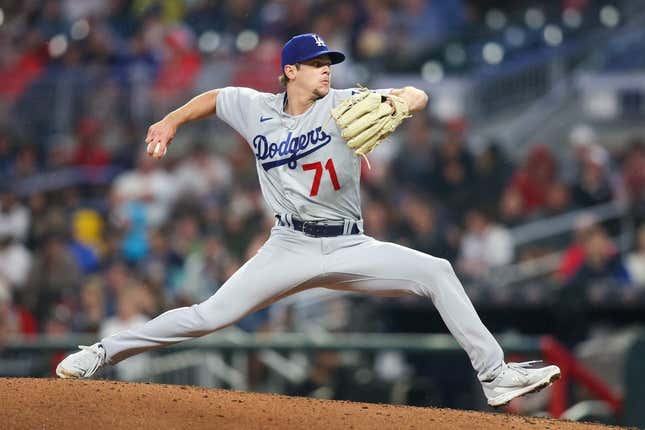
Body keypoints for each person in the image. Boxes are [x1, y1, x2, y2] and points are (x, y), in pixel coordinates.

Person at [56, 33, 560, 407]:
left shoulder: (343, 105)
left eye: (329, 63)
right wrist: (169, 121)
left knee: (436, 271)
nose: (327, 70)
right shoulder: (255, 108)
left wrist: (402, 101)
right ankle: (101, 352)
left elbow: (416, 95)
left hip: (349, 244)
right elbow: (211, 99)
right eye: (316, 63)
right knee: (208, 316)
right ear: (289, 72)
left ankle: (494, 376)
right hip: (288, 246)